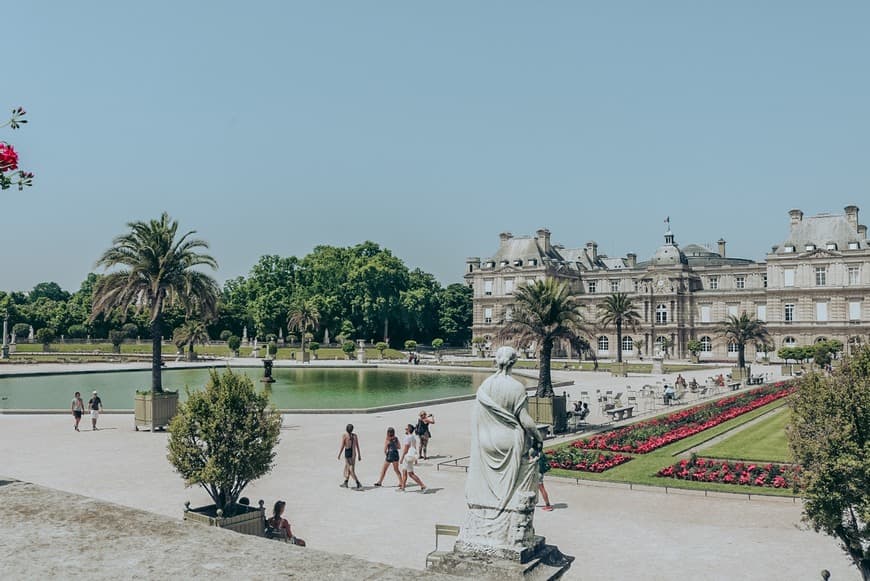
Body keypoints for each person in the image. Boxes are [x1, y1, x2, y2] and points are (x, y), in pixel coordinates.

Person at [458, 346, 544, 552]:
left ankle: (484, 518)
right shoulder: (517, 387)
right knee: (519, 480)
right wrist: (538, 438)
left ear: (496, 360)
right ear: (514, 362)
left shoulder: (484, 386)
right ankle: (511, 521)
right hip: (510, 442)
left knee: (489, 484)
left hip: (486, 442)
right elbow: (526, 421)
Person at [398, 423, 427, 492]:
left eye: (406, 428)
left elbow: (406, 448)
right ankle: (403, 487)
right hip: (411, 456)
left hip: (407, 457)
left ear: (408, 429)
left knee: (410, 474)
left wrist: (401, 458)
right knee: (404, 471)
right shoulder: (412, 437)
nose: (405, 429)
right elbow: (414, 447)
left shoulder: (408, 437)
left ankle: (422, 485)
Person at [337, 423, 362, 489]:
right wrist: (359, 455)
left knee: (351, 470)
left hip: (348, 453)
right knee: (349, 468)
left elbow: (342, 446)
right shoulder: (355, 436)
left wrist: (339, 454)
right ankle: (346, 482)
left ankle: (358, 483)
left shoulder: (345, 436)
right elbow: (357, 446)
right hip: (354, 453)